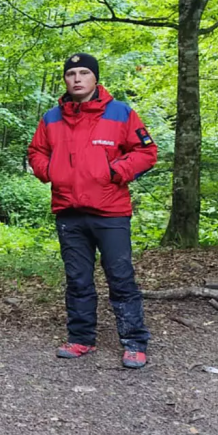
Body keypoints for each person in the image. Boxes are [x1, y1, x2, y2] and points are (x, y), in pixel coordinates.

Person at [27, 53, 158, 369]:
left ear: (95, 78)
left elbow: (146, 152)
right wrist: (51, 171)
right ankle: (81, 338)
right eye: (71, 74)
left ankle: (134, 342)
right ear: (65, 79)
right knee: (77, 279)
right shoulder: (51, 118)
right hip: (69, 211)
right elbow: (36, 152)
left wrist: (114, 171)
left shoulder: (120, 113)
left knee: (121, 277)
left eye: (84, 72)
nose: (77, 79)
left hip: (110, 211)